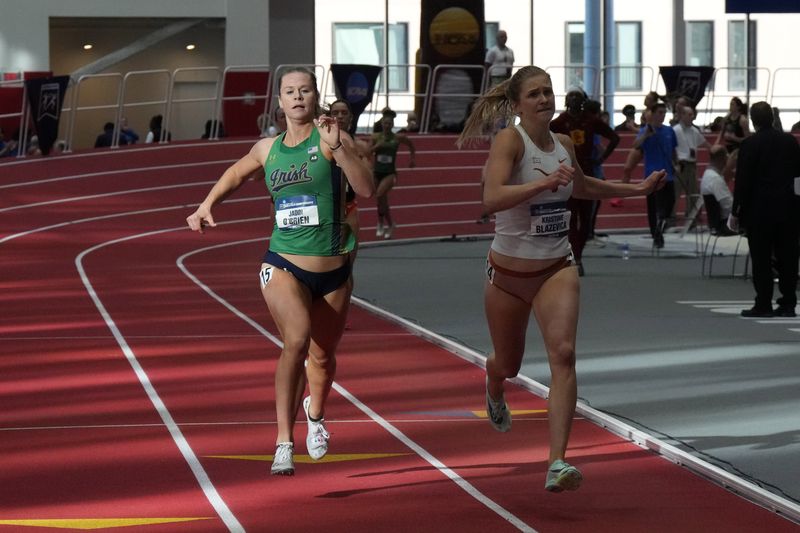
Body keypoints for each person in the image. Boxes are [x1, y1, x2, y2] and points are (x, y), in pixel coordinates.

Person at [456, 65, 665, 493]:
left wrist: (635, 190)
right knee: (509, 363)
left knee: (564, 354)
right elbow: (491, 198)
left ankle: (557, 462)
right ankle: (494, 383)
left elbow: (583, 187)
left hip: (556, 266)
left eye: (548, 91)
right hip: (509, 274)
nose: (545, 99)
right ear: (517, 104)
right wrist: (544, 183)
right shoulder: (510, 141)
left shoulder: (565, 143)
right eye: (534, 94)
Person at [185, 67, 375, 476]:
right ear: (280, 100)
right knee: (297, 338)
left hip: (334, 269)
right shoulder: (267, 149)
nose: (298, 97)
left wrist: (338, 147)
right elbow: (236, 173)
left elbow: (366, 189)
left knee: (322, 359)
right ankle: (283, 442)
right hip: (283, 261)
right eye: (290, 91)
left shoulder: (334, 139)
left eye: (305, 90)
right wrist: (207, 205)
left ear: (314, 95)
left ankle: (316, 414)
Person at [730, 101, 800, 318]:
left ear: (752, 120)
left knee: (761, 258)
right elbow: (798, 175)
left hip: (759, 211)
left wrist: (736, 211)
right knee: (788, 257)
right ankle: (788, 302)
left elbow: (743, 181)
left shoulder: (750, 145)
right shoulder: (790, 142)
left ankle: (763, 303)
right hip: (788, 208)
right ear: (772, 117)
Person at [550, 89, 620, 274]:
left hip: (588, 173)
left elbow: (614, 137)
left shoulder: (591, 120)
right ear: (565, 101)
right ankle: (576, 258)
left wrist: (601, 158)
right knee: (571, 219)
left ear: (583, 101)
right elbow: (540, 139)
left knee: (587, 220)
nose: (574, 101)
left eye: (578, 98)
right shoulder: (559, 122)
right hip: (567, 174)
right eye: (571, 98)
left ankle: (578, 254)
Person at [327, 98, 372, 259]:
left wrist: (355, 159)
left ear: (351, 118)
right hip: (326, 209)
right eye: (335, 113)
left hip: (349, 207)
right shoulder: (319, 144)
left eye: (344, 113)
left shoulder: (361, 146)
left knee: (347, 263)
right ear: (329, 116)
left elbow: (369, 185)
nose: (340, 116)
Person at [632, 102, 677, 248]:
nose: (662, 115)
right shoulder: (646, 130)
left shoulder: (669, 131)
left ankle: (661, 225)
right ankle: (656, 235)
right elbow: (636, 145)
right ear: (652, 114)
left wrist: (676, 164)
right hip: (652, 175)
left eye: (664, 112)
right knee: (653, 206)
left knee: (669, 203)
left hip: (668, 174)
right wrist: (646, 134)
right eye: (659, 112)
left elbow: (673, 150)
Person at [370, 108, 416, 239]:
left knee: (380, 194)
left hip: (390, 173)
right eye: (385, 123)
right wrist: (376, 147)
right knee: (381, 201)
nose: (387, 126)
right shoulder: (375, 137)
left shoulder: (398, 138)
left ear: (393, 125)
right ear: (382, 124)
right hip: (376, 172)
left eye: (389, 124)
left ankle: (380, 223)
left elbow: (411, 145)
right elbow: (367, 152)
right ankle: (389, 224)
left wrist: (412, 159)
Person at [672, 104, 708, 218]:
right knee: (675, 193)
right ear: (682, 115)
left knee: (693, 193)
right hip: (681, 164)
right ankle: (670, 218)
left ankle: (692, 219)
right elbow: (672, 149)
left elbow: (706, 144)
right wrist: (675, 163)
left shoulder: (694, 131)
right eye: (689, 114)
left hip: (691, 164)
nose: (692, 117)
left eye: (693, 114)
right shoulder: (675, 130)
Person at [699, 144, 735, 228]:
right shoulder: (715, 179)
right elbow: (729, 207)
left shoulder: (708, 174)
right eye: (726, 157)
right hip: (725, 224)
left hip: (717, 223)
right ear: (722, 158)